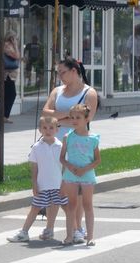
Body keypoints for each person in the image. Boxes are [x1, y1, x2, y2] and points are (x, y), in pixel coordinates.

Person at [42, 56, 100, 244]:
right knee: (53, 186)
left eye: (63, 72)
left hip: (77, 146)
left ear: (74, 71)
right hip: (53, 143)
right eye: (58, 72)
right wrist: (69, 114)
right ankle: (50, 227)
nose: (60, 76)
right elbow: (45, 113)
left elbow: (85, 119)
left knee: (74, 190)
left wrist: (57, 119)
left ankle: (77, 228)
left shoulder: (89, 93)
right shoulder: (57, 91)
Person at [6, 116, 68, 243]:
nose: (48, 130)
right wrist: (34, 183)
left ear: (57, 129)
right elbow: (34, 167)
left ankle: (72, 231)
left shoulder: (61, 146)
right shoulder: (36, 147)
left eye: (51, 128)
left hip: (58, 185)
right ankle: (24, 232)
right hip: (42, 185)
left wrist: (64, 183)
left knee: (65, 208)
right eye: (44, 128)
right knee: (35, 208)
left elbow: (65, 167)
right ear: (40, 130)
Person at [59, 104, 100, 246]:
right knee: (71, 205)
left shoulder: (93, 138)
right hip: (71, 175)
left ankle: (90, 236)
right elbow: (62, 158)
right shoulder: (68, 137)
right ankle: (69, 235)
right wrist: (69, 166)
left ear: (86, 119)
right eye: (72, 118)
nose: (74, 120)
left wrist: (85, 169)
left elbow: (97, 160)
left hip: (87, 174)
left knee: (88, 205)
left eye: (78, 117)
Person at [0, 31, 20, 123]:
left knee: (4, 95)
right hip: (7, 75)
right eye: (15, 38)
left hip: (4, 75)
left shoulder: (3, 45)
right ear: (12, 38)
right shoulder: (7, 46)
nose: (16, 40)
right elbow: (17, 56)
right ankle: (4, 116)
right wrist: (15, 45)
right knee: (12, 94)